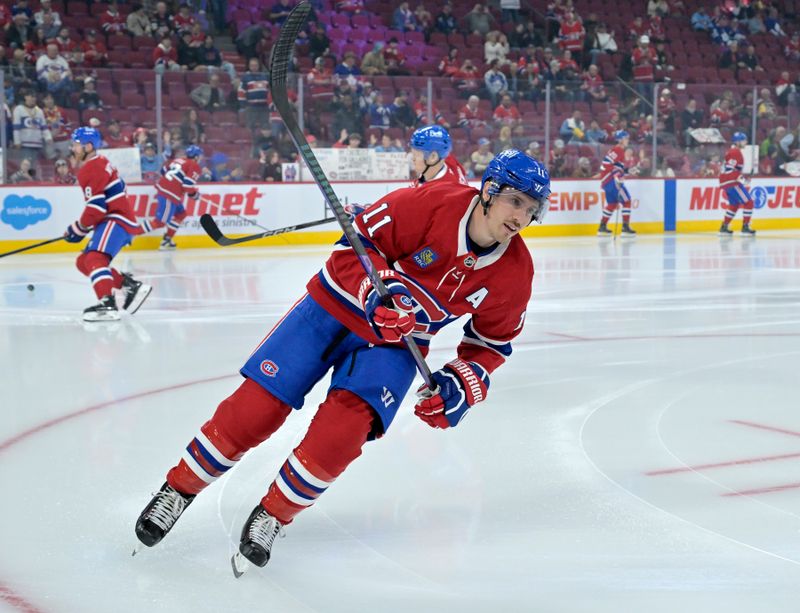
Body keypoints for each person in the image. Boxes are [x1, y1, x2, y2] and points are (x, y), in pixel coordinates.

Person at [134, 149, 551, 574]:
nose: (521, 217)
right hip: (329, 309)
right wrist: (376, 291)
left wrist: (463, 381)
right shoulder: (431, 203)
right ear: (489, 190)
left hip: (396, 346)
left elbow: (491, 342)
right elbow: (351, 250)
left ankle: (273, 516)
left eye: (531, 209)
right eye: (515, 201)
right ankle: (178, 490)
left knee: (342, 435)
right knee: (254, 410)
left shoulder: (515, 272)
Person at [62, 127, 152, 322]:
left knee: (94, 258)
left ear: (88, 146)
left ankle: (107, 304)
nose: (73, 149)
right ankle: (130, 286)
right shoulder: (98, 164)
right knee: (83, 261)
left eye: (76, 145)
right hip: (115, 219)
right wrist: (79, 228)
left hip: (116, 219)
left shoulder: (91, 167)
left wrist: (77, 229)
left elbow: (96, 208)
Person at [140, 145, 203, 250]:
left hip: (166, 190)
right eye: (200, 155)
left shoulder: (178, 160)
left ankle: (167, 240)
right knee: (159, 222)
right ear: (196, 157)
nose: (201, 158)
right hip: (170, 194)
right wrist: (195, 195)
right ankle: (131, 233)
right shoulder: (194, 166)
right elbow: (187, 186)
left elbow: (163, 171)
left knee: (181, 214)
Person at [597, 130, 636, 236]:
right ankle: (625, 227)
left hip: (607, 182)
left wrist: (627, 171)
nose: (628, 140)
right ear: (621, 140)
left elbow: (615, 167)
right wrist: (617, 177)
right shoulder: (618, 150)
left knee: (612, 204)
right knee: (627, 201)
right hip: (612, 181)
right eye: (626, 138)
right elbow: (607, 164)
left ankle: (602, 227)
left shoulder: (617, 151)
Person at [719, 132, 756, 236]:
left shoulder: (732, 151)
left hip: (726, 182)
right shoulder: (735, 152)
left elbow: (731, 168)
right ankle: (745, 227)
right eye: (744, 140)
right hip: (732, 182)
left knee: (734, 205)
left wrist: (742, 177)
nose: (746, 142)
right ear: (738, 142)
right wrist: (742, 179)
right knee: (749, 202)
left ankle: (724, 227)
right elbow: (730, 169)